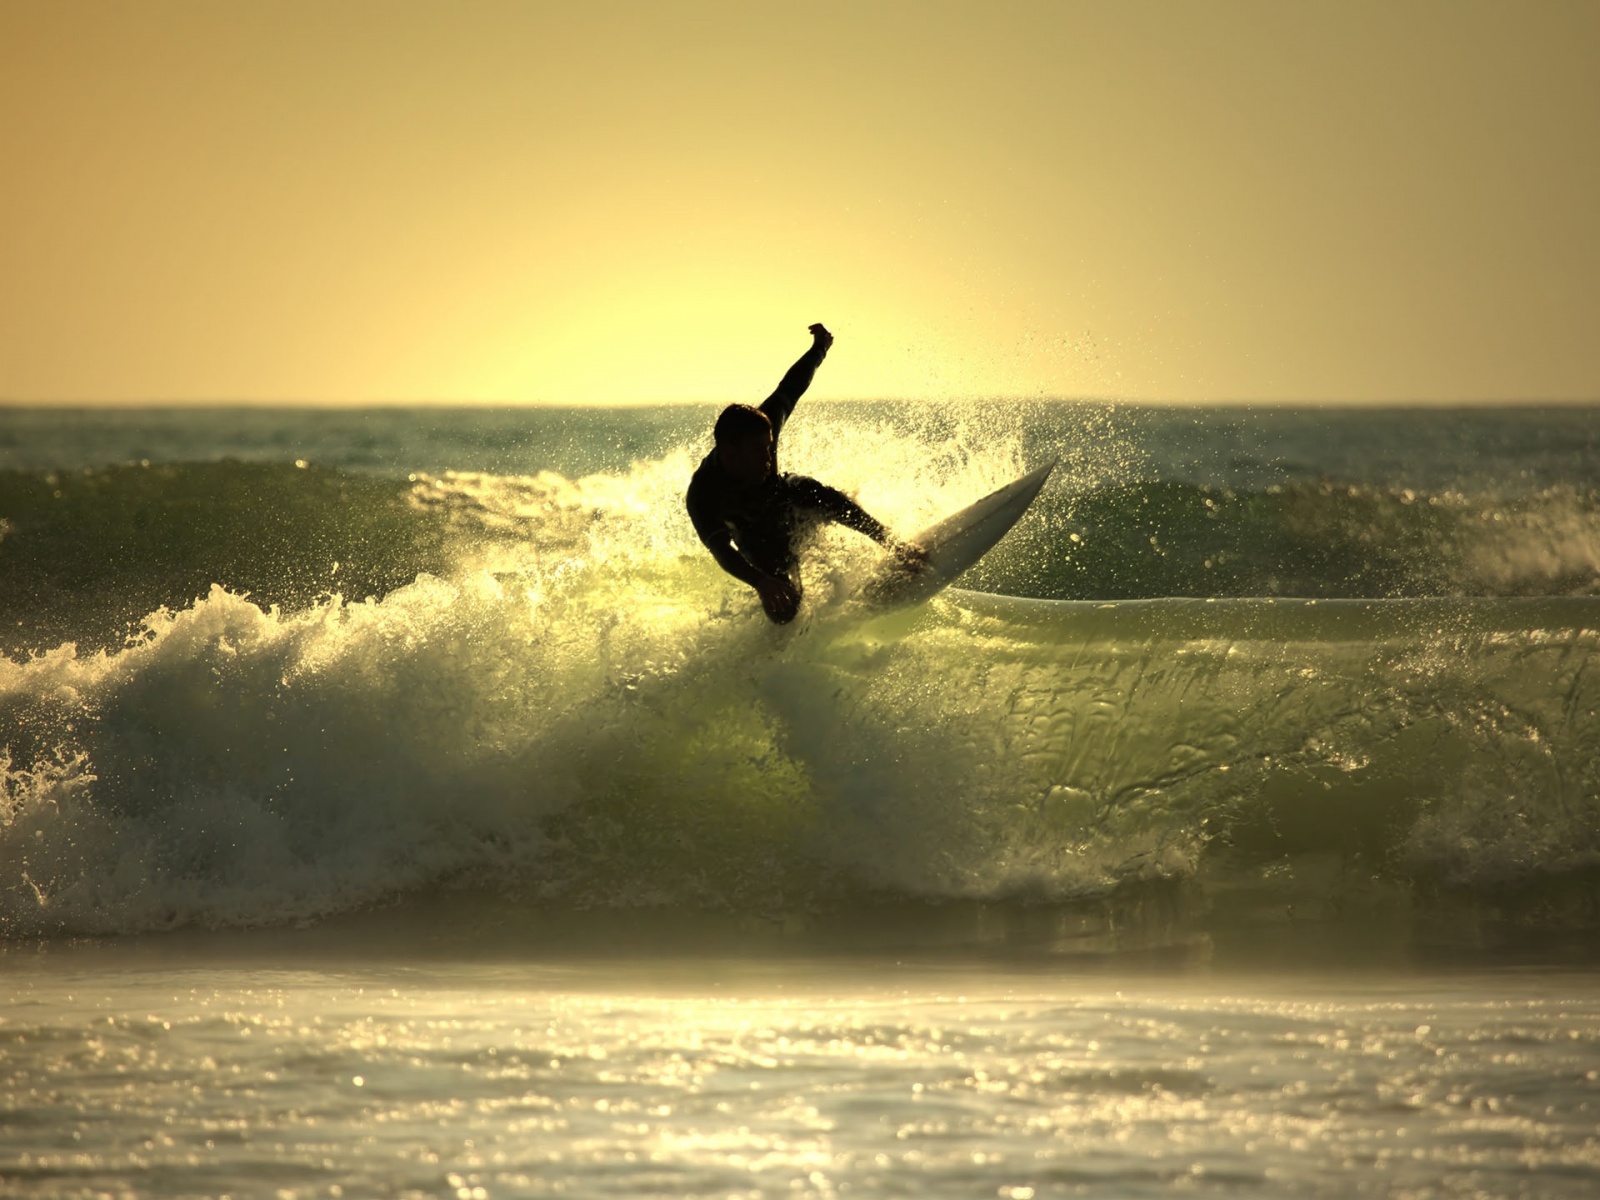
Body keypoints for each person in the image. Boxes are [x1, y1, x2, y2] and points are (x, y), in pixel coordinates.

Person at [685, 323, 921, 624]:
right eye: (758, 453)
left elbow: (791, 386)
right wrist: (761, 583)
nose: (767, 458)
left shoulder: (762, 424)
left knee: (810, 490)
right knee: (784, 608)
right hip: (755, 536)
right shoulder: (703, 493)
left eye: (769, 448)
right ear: (731, 453)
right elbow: (722, 551)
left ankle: (893, 544)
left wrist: (820, 347)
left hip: (786, 499)